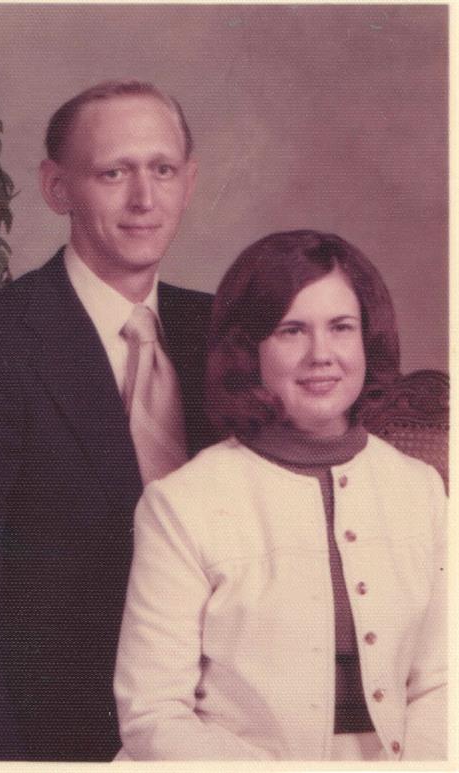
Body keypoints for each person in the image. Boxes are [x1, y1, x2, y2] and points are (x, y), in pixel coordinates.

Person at [0, 80, 214, 761]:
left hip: (219, 722)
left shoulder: (222, 329)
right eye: (113, 173)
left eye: (162, 169)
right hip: (62, 734)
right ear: (57, 189)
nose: (144, 198)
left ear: (188, 182)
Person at [114, 230, 447, 761]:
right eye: (292, 331)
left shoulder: (421, 490)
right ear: (249, 352)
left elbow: (444, 682)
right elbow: (153, 713)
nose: (322, 355)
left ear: (367, 340)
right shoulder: (181, 504)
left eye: (341, 327)